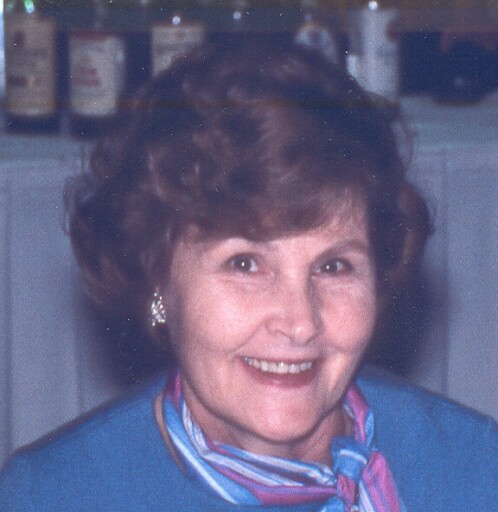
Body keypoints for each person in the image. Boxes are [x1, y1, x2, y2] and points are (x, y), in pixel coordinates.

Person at [0, 35, 496, 512]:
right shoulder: (51, 495)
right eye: (245, 264)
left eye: (333, 266)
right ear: (156, 277)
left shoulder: (475, 470)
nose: (299, 322)